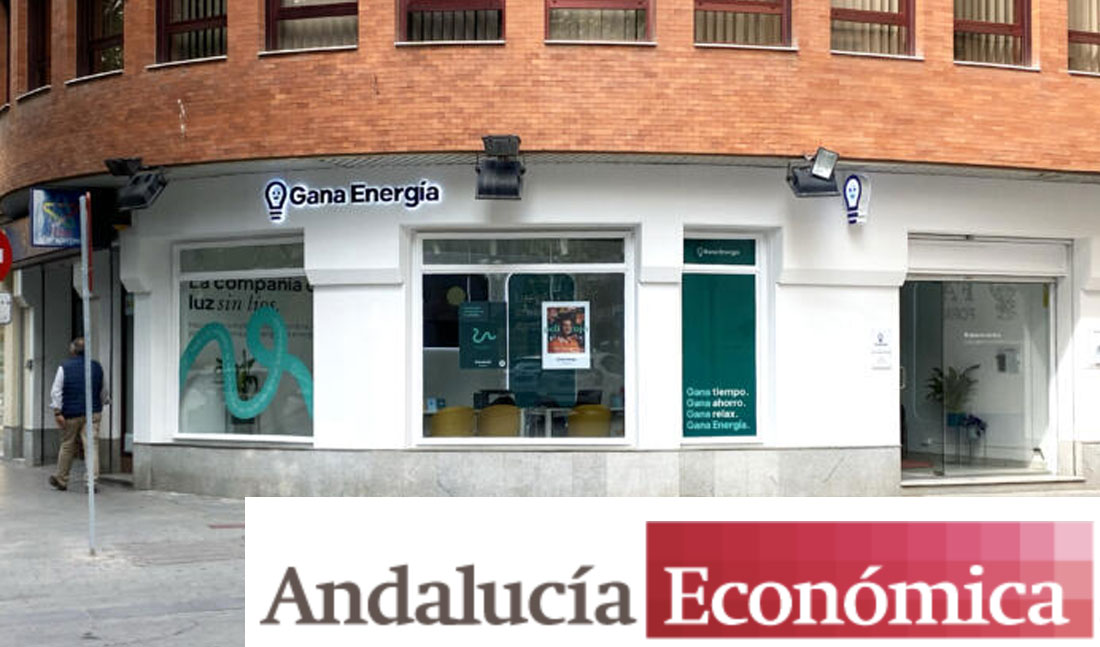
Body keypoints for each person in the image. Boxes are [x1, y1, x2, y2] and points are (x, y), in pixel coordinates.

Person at [48, 337, 109, 492]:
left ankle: (62, 479)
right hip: (93, 412)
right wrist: (102, 404)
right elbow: (103, 390)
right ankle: (91, 483)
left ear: (73, 350)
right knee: (91, 446)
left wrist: (57, 412)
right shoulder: (97, 367)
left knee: (67, 445)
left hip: (71, 414)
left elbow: (56, 391)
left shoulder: (64, 367)